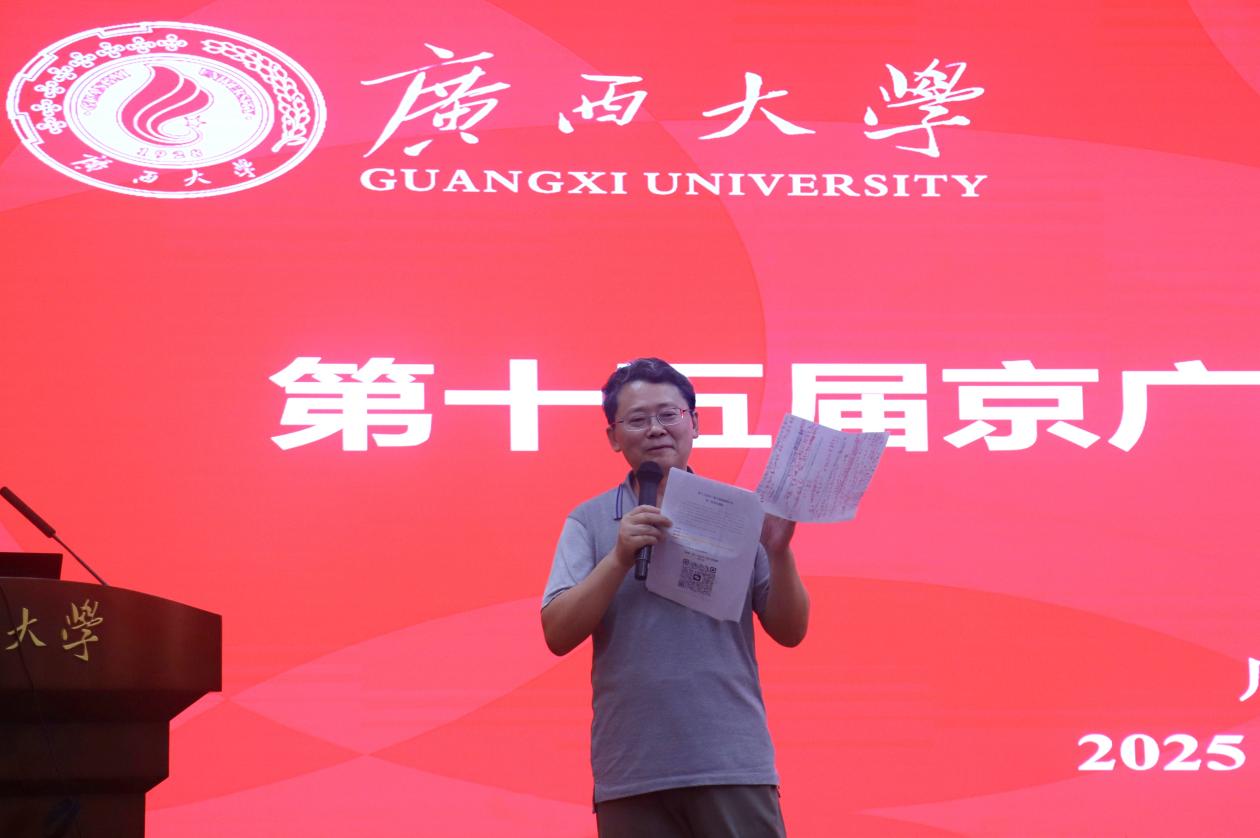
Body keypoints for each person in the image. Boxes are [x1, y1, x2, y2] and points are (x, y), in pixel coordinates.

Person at [541, 358, 810, 838]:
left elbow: (791, 631)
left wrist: (779, 551)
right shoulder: (589, 520)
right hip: (632, 770)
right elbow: (557, 633)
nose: (656, 429)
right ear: (613, 437)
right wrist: (618, 558)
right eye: (637, 419)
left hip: (731, 763)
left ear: (695, 423)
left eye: (669, 414)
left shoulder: (739, 512)